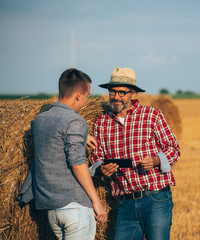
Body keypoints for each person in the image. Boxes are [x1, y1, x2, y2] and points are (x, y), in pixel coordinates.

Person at [91, 67, 180, 240]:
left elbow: (174, 149)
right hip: (125, 203)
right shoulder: (101, 123)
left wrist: (155, 160)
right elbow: (97, 157)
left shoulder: (152, 115)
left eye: (121, 93)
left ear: (133, 94)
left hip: (155, 198)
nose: (116, 96)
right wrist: (102, 168)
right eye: (112, 91)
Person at [18, 68, 108, 240]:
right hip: (75, 208)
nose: (85, 101)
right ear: (79, 95)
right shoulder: (75, 120)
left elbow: (55, 139)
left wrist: (82, 135)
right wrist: (96, 201)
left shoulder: (40, 120)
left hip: (51, 209)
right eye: (87, 96)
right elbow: (77, 163)